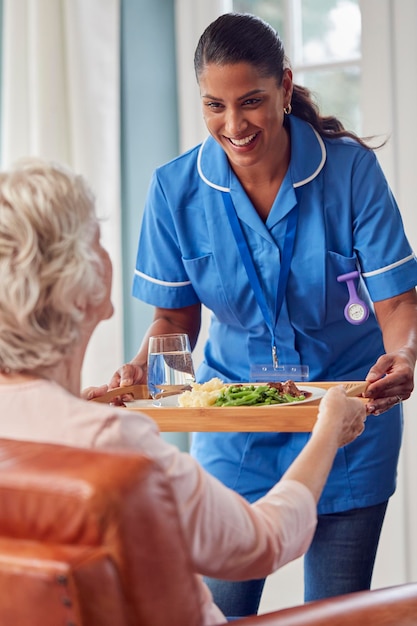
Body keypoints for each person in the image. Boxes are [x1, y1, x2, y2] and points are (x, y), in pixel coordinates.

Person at [99, 11, 417, 621]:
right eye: (214, 105)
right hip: (233, 428)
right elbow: (175, 322)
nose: (234, 124)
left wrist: (402, 357)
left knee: (335, 615)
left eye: (251, 102)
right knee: (217, 612)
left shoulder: (350, 173)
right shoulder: (175, 189)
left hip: (346, 419)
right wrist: (144, 367)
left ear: (285, 86)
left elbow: (398, 302)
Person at [0, 157, 366, 626]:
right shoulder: (118, 446)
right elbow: (265, 542)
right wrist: (329, 427)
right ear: (79, 290)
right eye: (96, 241)